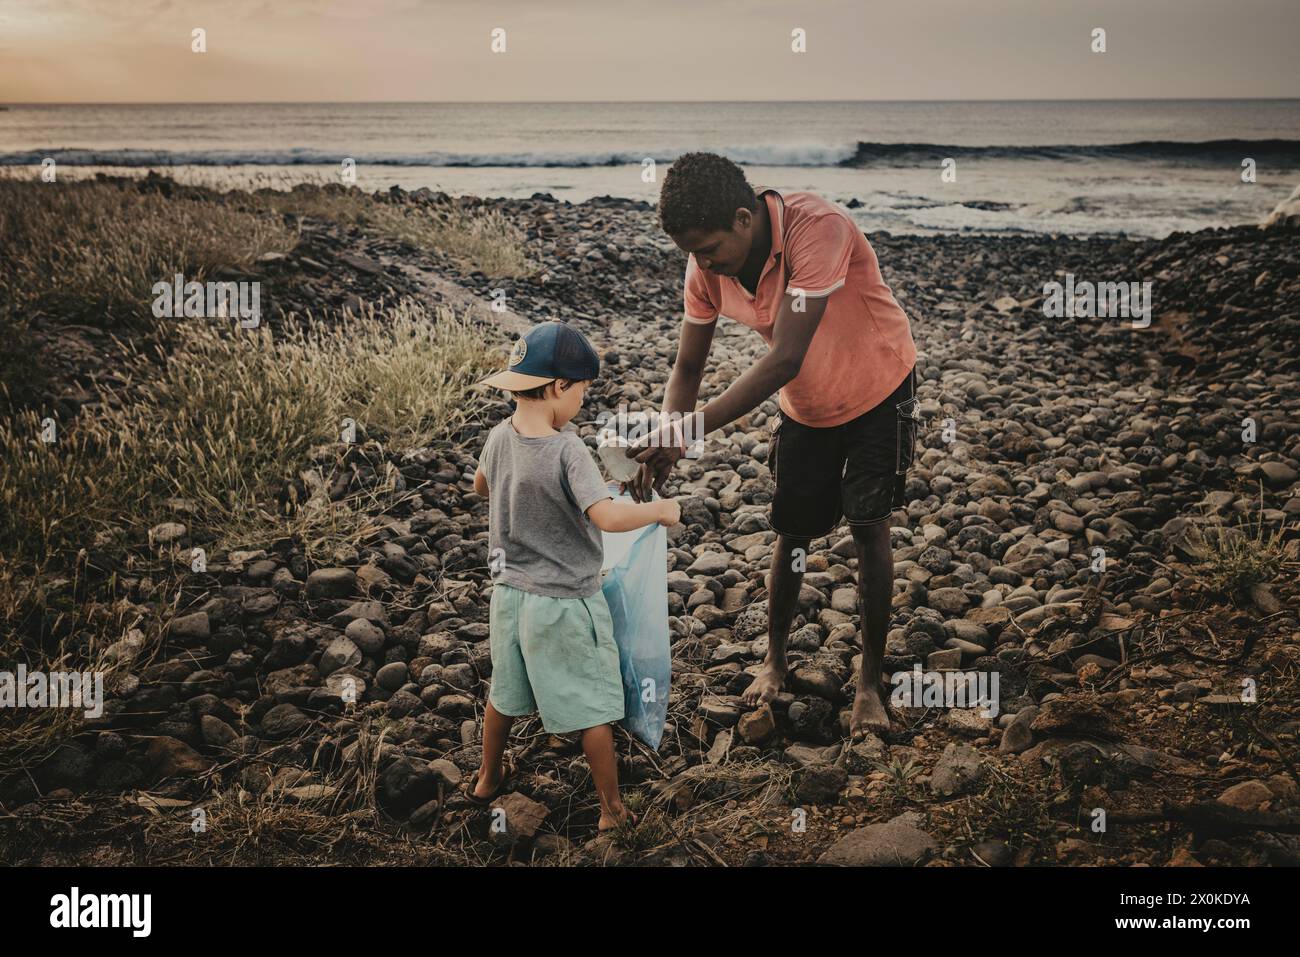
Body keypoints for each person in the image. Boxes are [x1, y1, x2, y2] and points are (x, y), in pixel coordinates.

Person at [626, 153, 918, 739]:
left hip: (877, 388)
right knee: (791, 533)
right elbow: (687, 364)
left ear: (743, 218)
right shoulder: (703, 267)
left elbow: (785, 356)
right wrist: (666, 434)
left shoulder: (819, 229)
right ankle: (775, 661)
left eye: (709, 248)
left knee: (869, 527)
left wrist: (690, 433)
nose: (702, 262)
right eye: (692, 253)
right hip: (807, 406)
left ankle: (868, 685)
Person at [472, 319, 680, 830]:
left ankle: (486, 777)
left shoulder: (500, 436)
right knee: (592, 706)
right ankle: (611, 809)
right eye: (583, 391)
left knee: (503, 692)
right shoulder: (568, 449)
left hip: (510, 595)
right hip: (565, 603)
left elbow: (482, 487)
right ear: (559, 386)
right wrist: (660, 511)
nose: (582, 402)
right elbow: (607, 518)